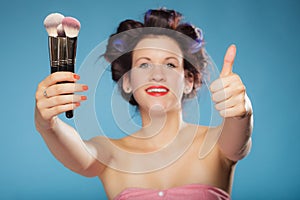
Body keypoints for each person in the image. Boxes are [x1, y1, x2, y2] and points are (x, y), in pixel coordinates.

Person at [35, 8, 253, 200]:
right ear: (127, 81)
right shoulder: (110, 153)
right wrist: (46, 124)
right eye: (144, 64)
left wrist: (241, 110)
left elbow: (238, 135)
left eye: (169, 64)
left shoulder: (216, 143)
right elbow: (78, 152)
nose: (157, 75)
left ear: (188, 80)